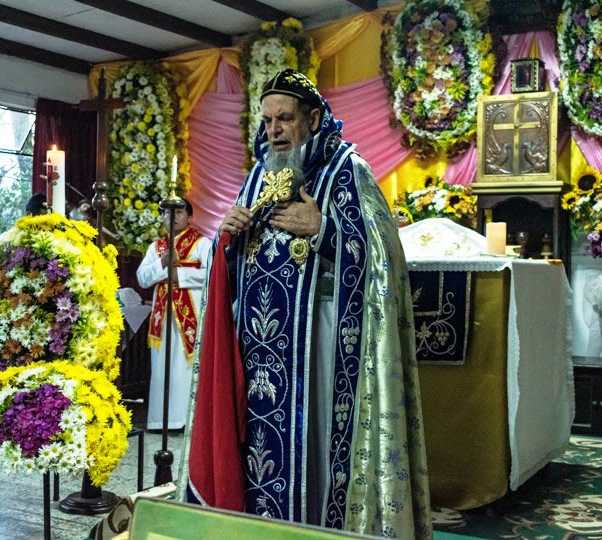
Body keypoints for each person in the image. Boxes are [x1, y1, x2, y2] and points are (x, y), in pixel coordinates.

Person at [181, 69, 431, 538]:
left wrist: (325, 231)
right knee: (257, 456)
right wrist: (226, 241)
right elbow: (232, 262)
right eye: (267, 120)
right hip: (259, 356)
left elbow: (385, 259)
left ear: (314, 119)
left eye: (285, 118)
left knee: (315, 456)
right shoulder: (258, 176)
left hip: (322, 350)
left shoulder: (347, 171)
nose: (273, 130)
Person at [136, 199, 210, 431]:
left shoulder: (202, 243)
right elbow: (142, 278)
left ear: (189, 217)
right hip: (162, 319)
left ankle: (187, 421)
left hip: (190, 316)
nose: (173, 217)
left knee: (185, 367)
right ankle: (161, 420)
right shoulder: (156, 247)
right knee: (162, 368)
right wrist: (162, 264)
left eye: (178, 212)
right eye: (168, 213)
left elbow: (213, 274)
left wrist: (181, 275)